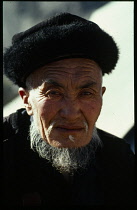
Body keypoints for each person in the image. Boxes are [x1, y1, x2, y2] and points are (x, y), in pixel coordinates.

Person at [3, 13, 135, 207]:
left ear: (101, 95)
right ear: (26, 100)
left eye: (86, 93)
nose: (71, 113)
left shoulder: (119, 158)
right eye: (54, 93)